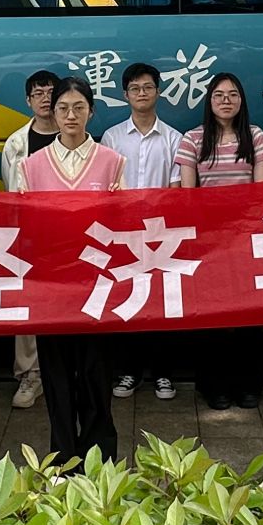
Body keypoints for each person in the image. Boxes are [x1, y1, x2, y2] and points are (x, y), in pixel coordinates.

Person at [20, 75, 126, 464]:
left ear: (91, 112)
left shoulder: (113, 161)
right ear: (53, 112)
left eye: (78, 107)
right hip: (52, 287)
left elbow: (122, 222)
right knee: (57, 377)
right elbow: (24, 226)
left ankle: (100, 459)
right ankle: (62, 458)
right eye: (63, 108)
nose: (70, 115)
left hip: (98, 285)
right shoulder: (31, 166)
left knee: (97, 375)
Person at [175, 72, 263, 411]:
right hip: (209, 241)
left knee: (249, 316)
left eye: (233, 94)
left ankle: (249, 386)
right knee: (212, 316)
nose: (226, 100)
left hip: (246, 238)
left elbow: (261, 192)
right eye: (219, 95)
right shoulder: (193, 138)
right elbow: (188, 195)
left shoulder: (255, 136)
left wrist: (246, 228)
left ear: (241, 100)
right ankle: (213, 386)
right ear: (209, 101)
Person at [101, 61, 185, 401]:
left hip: (161, 232)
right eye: (135, 88)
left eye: (148, 87)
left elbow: (176, 190)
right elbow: (107, 187)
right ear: (125, 95)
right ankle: (129, 372)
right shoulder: (112, 137)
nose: (141, 93)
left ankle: (163, 373)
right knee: (128, 302)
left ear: (158, 92)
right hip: (124, 233)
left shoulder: (174, 138)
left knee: (162, 305)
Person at [0, 70, 59, 410]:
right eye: (38, 93)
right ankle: (29, 375)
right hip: (29, 235)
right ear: (28, 100)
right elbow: (11, 193)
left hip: (68, 235)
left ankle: (65, 372)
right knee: (28, 303)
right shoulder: (16, 143)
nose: (45, 98)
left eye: (51, 92)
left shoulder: (75, 136)